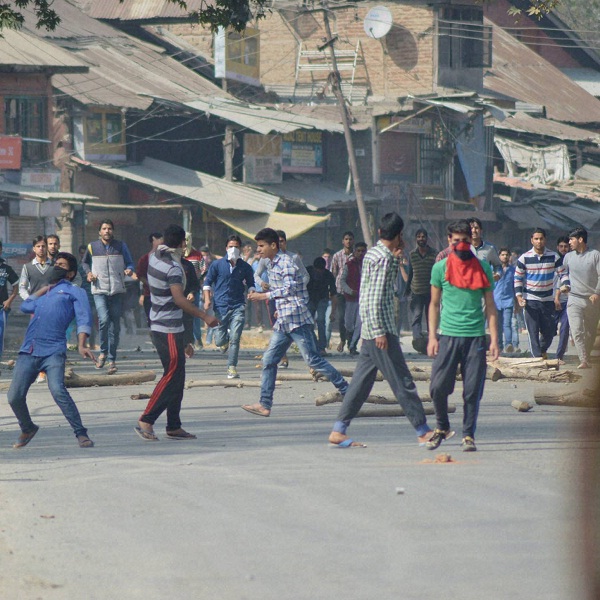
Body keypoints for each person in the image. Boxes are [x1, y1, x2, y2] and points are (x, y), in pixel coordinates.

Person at [327, 213, 434, 448]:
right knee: (402, 380)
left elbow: (382, 288)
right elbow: (373, 297)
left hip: (373, 332)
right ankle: (422, 429)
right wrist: (378, 332)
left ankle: (339, 430)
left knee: (360, 384)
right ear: (399, 235)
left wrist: (397, 257)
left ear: (379, 233)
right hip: (380, 331)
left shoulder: (375, 254)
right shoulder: (382, 259)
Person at [243, 228, 349, 417]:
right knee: (269, 360)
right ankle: (265, 404)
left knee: (313, 360)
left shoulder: (286, 262)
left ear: (273, 245)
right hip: (284, 321)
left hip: (297, 320)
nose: (258, 250)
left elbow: (290, 287)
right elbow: (276, 287)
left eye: (261, 246)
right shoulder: (268, 262)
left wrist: (264, 295)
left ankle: (348, 392)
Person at [136, 225, 219, 441]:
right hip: (168, 327)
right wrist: (205, 316)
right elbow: (180, 300)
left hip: (162, 324)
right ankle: (147, 419)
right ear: (183, 243)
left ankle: (173, 425)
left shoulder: (155, 256)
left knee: (178, 376)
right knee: (172, 374)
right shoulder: (172, 268)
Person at [8, 252, 96, 449]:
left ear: (71, 273)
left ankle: (81, 433)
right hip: (29, 350)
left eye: (62, 265)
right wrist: (43, 289)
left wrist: (82, 345)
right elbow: (25, 306)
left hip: (53, 350)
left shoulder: (75, 291)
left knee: (57, 390)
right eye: (55, 263)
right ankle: (28, 427)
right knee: (14, 396)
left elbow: (83, 318)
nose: (56, 266)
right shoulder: (45, 292)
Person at [426, 220, 499, 452]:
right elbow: (434, 304)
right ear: (449, 241)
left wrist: (495, 339)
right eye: (456, 241)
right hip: (447, 335)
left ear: (472, 241)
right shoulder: (440, 268)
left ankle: (468, 435)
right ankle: (442, 427)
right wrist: (432, 336)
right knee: (437, 387)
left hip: (475, 337)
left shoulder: (483, 267)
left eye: (465, 241)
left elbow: (490, 306)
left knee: (472, 391)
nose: (460, 245)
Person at [82, 219, 135, 374]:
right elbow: (84, 263)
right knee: (104, 319)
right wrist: (88, 273)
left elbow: (130, 263)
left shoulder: (121, 246)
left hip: (117, 290)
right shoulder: (92, 247)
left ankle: (112, 359)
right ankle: (103, 352)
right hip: (99, 289)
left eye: (109, 228)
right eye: (104, 228)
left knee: (115, 326)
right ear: (100, 231)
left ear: (113, 231)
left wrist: (129, 270)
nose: (107, 231)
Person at [203, 234, 255, 379]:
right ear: (226, 248)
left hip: (238, 305)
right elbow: (207, 283)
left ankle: (232, 367)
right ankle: (222, 341)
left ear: (240, 248)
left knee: (235, 337)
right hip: (220, 306)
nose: (233, 249)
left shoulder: (245, 267)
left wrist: (251, 292)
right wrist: (207, 300)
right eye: (231, 246)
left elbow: (251, 283)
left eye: (236, 247)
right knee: (219, 341)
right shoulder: (217, 265)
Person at [514, 227, 569, 359]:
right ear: (532, 240)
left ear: (545, 240)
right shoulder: (524, 258)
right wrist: (519, 297)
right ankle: (537, 358)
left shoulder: (553, 257)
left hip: (548, 301)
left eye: (541, 239)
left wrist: (566, 284)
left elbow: (563, 273)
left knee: (549, 332)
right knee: (533, 333)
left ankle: (542, 350)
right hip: (530, 301)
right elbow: (517, 278)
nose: (539, 241)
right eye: (536, 239)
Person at [563, 226, 600, 370]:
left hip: (592, 300)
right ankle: (583, 359)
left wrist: (597, 292)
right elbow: (563, 273)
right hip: (574, 298)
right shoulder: (568, 257)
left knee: (590, 332)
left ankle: (587, 355)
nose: (569, 242)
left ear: (580, 239)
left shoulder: (595, 255)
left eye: (572, 239)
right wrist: (564, 284)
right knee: (577, 330)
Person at [406, 229, 437, 343]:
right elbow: (410, 273)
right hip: (416, 291)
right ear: (416, 239)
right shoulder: (412, 254)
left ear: (427, 238)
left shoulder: (434, 254)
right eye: (419, 237)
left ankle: (431, 339)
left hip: (430, 291)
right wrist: (407, 289)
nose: (421, 239)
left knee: (430, 317)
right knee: (416, 316)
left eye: (423, 237)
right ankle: (417, 340)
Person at [340, 241, 367, 355]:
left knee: (359, 324)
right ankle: (349, 340)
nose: (361, 253)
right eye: (358, 251)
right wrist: (350, 291)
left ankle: (352, 346)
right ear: (355, 252)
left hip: (363, 299)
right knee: (349, 324)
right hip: (350, 299)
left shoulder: (369, 265)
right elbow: (342, 280)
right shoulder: (349, 265)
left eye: (363, 251)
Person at [306, 256, 337, 355]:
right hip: (309, 299)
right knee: (309, 323)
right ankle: (314, 346)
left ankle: (322, 347)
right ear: (314, 268)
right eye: (317, 271)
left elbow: (333, 294)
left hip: (322, 299)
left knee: (321, 321)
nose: (319, 273)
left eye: (321, 271)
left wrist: (333, 312)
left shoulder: (328, 275)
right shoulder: (307, 271)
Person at [331, 231, 355, 353]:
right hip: (340, 290)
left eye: (350, 239)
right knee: (341, 318)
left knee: (351, 318)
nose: (348, 241)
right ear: (343, 241)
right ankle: (342, 339)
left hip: (353, 291)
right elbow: (333, 273)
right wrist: (331, 291)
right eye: (346, 239)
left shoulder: (356, 256)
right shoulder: (337, 256)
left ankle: (351, 343)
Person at [494, 247, 518, 353]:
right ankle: (499, 346)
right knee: (497, 325)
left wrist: (517, 303)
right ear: (499, 256)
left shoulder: (513, 270)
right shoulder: (494, 269)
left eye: (506, 255)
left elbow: (515, 286)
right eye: (502, 255)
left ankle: (508, 344)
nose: (505, 257)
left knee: (507, 323)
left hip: (508, 300)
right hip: (496, 300)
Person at [137, 232, 163, 325]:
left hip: (165, 296)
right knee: (152, 322)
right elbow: (140, 276)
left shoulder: (168, 258)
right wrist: (150, 285)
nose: (162, 241)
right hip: (150, 296)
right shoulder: (144, 259)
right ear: (153, 240)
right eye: (159, 239)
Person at [19, 236, 52, 301]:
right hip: (34, 306)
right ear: (34, 249)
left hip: (51, 304)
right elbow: (22, 288)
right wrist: (29, 300)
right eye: (38, 246)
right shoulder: (27, 267)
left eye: (43, 246)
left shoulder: (55, 265)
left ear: (47, 248)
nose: (41, 248)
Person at [554, 236, 571, 364]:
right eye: (561, 246)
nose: (563, 249)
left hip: (567, 300)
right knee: (549, 329)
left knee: (565, 328)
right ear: (557, 247)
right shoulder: (553, 259)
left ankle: (559, 356)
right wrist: (556, 297)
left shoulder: (570, 261)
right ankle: (541, 351)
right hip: (552, 300)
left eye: (566, 246)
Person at [0, 241, 19, 351]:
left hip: (1, 309)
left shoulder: (6, 269)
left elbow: (16, 286)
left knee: (0, 335)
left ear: (1, 250)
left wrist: (9, 300)